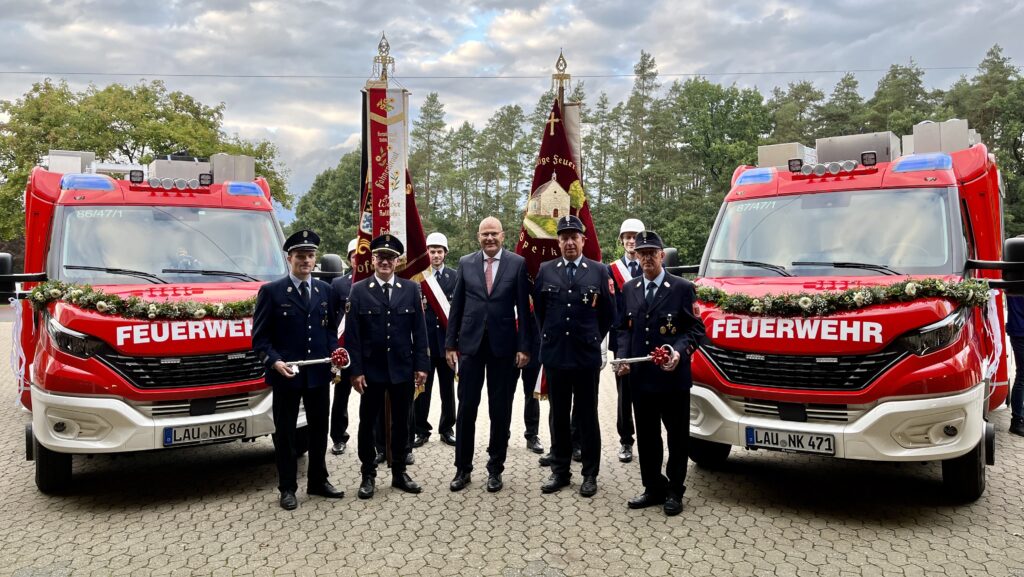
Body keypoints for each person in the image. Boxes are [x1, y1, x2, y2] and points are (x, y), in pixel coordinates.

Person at [614, 231, 705, 516]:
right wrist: (623, 357)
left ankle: (675, 491)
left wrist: (679, 351)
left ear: (662, 255)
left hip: (673, 379)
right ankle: (653, 486)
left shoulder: (681, 288)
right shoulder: (629, 289)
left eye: (652, 252)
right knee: (648, 437)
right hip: (641, 381)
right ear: (636, 256)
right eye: (642, 253)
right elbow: (623, 329)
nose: (647, 258)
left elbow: (696, 330)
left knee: (677, 437)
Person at [252, 229, 343, 510]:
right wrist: (275, 361)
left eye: (310, 255)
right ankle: (287, 488)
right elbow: (260, 339)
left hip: (317, 374)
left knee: (318, 431)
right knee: (286, 434)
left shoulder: (325, 291)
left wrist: (333, 355)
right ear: (289, 258)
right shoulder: (272, 292)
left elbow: (330, 329)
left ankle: (317, 480)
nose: (306, 260)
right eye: (300, 256)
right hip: (285, 376)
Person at [446, 216, 534, 493]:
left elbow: (524, 308)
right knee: (467, 410)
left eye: (494, 233)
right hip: (470, 347)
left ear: (503, 235)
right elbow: (456, 306)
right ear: (478, 237)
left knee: (500, 412)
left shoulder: (517, 264)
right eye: (485, 234)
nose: (489, 239)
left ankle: (495, 469)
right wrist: (450, 345)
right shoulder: (466, 263)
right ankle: (463, 469)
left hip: (504, 348)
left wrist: (524, 347)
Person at [533, 215, 614, 497]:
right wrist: (551, 336)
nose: (569, 242)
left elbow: (608, 314)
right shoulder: (546, 270)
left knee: (588, 416)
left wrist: (590, 336)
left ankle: (589, 474)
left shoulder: (599, 271)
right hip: (556, 356)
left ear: (583, 240)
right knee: (557, 417)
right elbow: (540, 312)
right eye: (564, 237)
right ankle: (560, 471)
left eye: (574, 237)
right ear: (558, 242)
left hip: (585, 356)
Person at [346, 234, 430, 499]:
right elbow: (353, 336)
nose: (385, 262)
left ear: (398, 261)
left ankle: (399, 472)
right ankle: (368, 474)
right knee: (368, 422)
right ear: (372, 260)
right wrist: (355, 371)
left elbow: (420, 331)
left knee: (402, 423)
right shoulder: (359, 290)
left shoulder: (410, 289)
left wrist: (421, 366)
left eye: (390, 258)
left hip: (402, 368)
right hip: (371, 371)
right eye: (380, 257)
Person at [414, 232, 459, 447]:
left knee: (447, 389)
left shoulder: (456, 276)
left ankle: (447, 428)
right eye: (432, 251)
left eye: (439, 251)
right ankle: (421, 429)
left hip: (447, 344)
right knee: (422, 389)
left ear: (445, 253)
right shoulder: (419, 278)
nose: (435, 255)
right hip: (426, 344)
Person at [608, 218, 645, 463]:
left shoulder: (651, 264)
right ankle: (625, 441)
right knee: (624, 394)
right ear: (621, 240)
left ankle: (648, 439)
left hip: (647, 337)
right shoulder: (610, 270)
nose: (631, 240)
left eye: (635, 236)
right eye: (627, 236)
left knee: (648, 391)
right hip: (622, 338)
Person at [329, 238, 359, 456]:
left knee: (373, 395)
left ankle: (378, 439)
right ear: (349, 259)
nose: (359, 258)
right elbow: (331, 319)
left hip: (366, 350)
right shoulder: (338, 284)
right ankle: (339, 437)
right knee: (341, 396)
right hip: (345, 350)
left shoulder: (373, 283)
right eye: (354, 255)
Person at [1008, 294, 1024, 437]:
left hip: (1017, 330)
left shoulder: (1013, 279)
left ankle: (1019, 418)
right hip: (1020, 332)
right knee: (1022, 377)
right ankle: (1017, 421)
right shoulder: (1016, 280)